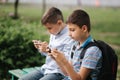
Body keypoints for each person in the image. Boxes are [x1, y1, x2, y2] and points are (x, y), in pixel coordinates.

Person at [18, 7, 74, 80]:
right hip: (46, 68)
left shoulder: (70, 36)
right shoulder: (54, 32)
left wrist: (48, 50)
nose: (48, 31)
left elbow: (66, 62)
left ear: (59, 23)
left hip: (58, 72)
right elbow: (49, 53)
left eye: (49, 28)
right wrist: (42, 48)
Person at [50, 9, 102, 80]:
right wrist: (57, 59)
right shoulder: (75, 46)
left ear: (84, 28)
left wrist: (64, 61)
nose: (69, 34)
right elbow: (67, 73)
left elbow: (79, 79)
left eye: (72, 30)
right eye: (68, 30)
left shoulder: (92, 51)